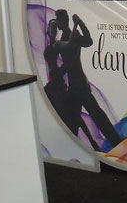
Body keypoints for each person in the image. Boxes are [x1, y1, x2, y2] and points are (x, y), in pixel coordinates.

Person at [55, 9, 123, 149]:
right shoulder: (67, 37)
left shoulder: (70, 36)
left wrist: (80, 24)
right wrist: (79, 24)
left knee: (93, 114)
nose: (56, 22)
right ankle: (112, 141)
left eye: (58, 19)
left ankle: (115, 141)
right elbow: (74, 52)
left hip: (78, 83)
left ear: (63, 20)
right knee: (82, 116)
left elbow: (88, 42)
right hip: (75, 84)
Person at [42, 19, 100, 150]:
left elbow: (69, 46)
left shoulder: (57, 44)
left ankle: (91, 141)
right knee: (67, 113)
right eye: (52, 27)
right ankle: (86, 141)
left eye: (55, 27)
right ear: (48, 29)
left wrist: (75, 26)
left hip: (58, 83)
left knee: (71, 113)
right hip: (54, 82)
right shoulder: (52, 45)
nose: (54, 29)